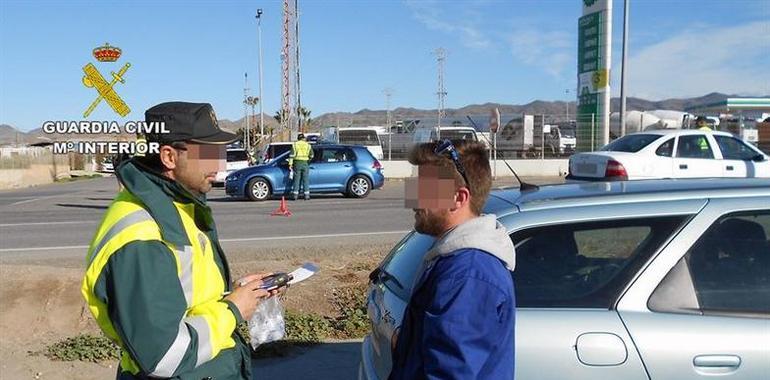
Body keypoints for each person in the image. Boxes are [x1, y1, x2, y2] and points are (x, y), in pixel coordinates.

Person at [82, 102, 277, 380]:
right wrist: (233, 310)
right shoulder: (141, 238)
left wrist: (237, 293)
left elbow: (183, 294)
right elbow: (162, 355)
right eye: (207, 153)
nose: (218, 164)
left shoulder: (176, 206)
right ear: (169, 157)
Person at [390, 140, 516, 380]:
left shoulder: (468, 274)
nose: (414, 199)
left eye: (424, 189)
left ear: (459, 198)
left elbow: (449, 374)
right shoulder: (455, 260)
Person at [288, 133, 314, 200]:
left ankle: (295, 195)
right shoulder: (308, 145)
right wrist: (308, 160)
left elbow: (291, 156)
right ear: (303, 138)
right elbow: (312, 155)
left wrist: (290, 164)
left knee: (297, 179)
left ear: (298, 138)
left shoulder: (295, 145)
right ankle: (306, 195)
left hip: (297, 163)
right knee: (305, 180)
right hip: (305, 163)